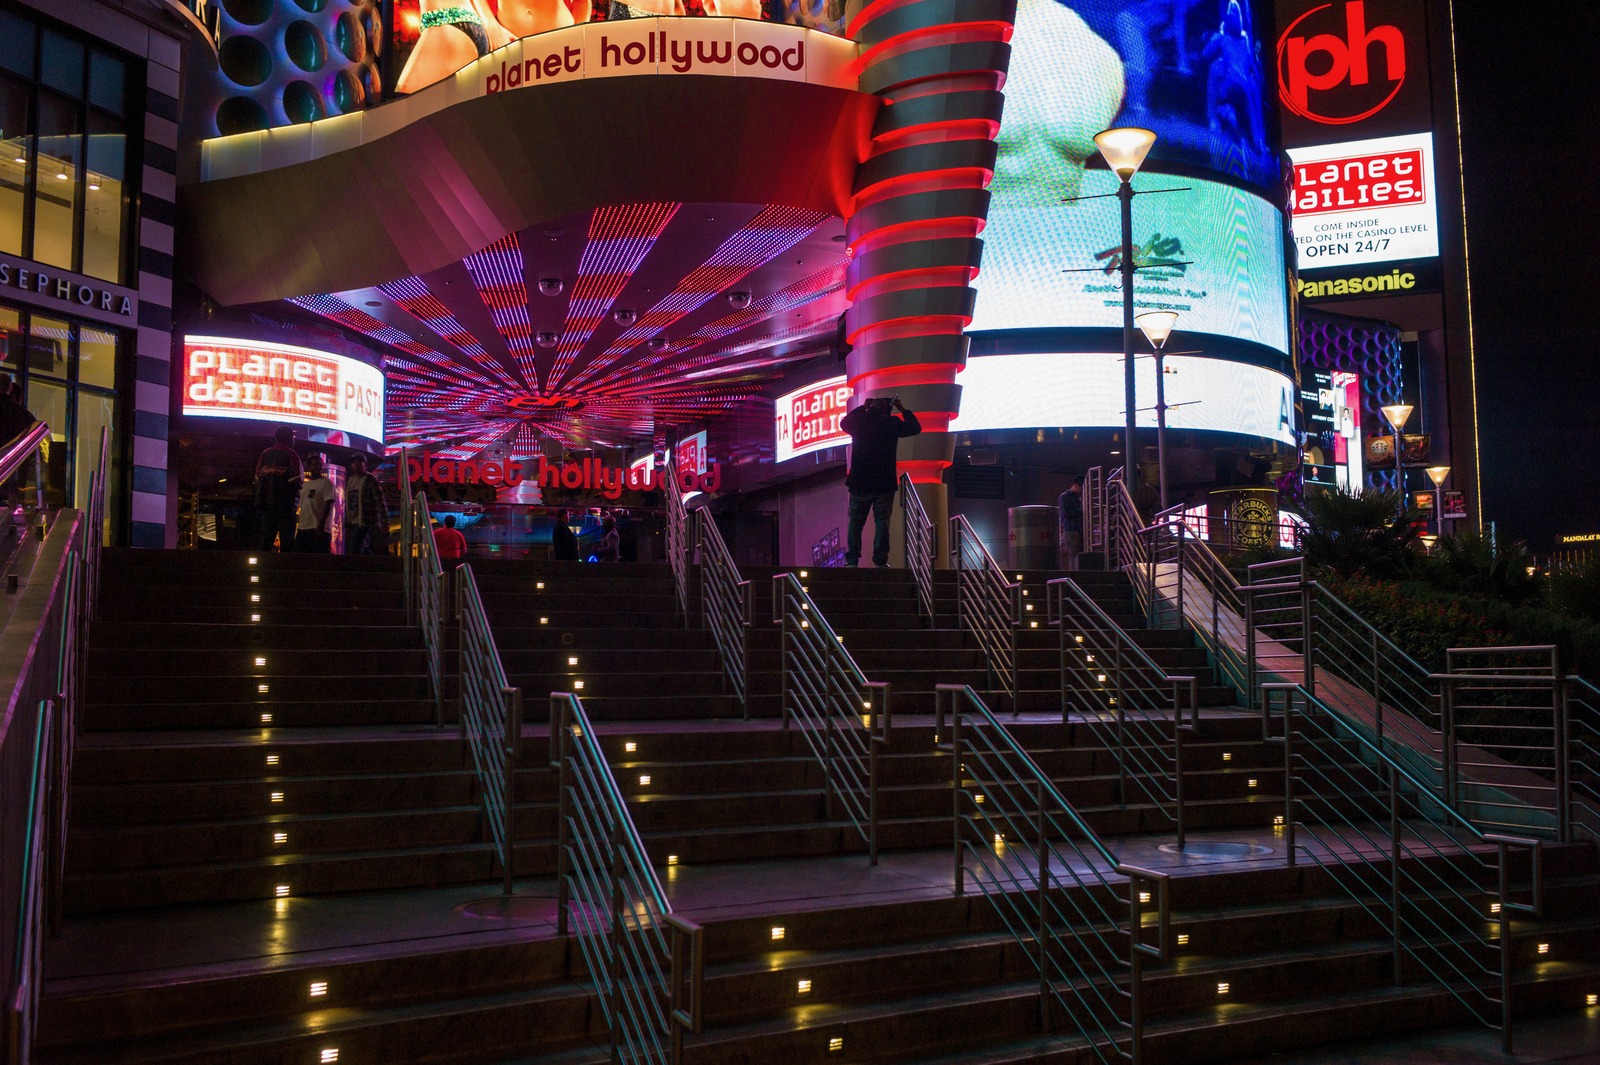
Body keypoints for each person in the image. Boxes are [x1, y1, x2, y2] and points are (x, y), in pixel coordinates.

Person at [839, 396, 921, 568]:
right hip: (884, 482)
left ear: (871, 408)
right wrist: (903, 409)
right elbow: (915, 427)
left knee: (856, 521)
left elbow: (844, 422)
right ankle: (880, 561)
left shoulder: (859, 423)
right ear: (888, 410)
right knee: (882, 522)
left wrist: (863, 408)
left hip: (859, 482)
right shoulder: (891, 424)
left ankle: (852, 560)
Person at [254, 426, 303, 553]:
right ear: (288, 438)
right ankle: (285, 571)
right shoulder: (291, 454)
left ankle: (262, 569)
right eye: (292, 437)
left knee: (266, 542)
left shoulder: (265, 454)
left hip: (266, 506)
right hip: (285, 507)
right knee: (287, 542)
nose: (294, 440)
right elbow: (298, 480)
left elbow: (257, 479)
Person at [343, 454, 390, 555]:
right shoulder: (350, 481)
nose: (357, 465)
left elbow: (380, 502)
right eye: (354, 462)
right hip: (353, 523)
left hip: (368, 522)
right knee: (362, 549)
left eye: (360, 462)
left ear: (365, 465)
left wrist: (385, 522)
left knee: (355, 549)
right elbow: (348, 503)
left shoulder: (371, 480)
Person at [294, 454, 336, 553]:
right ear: (309, 466)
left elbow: (328, 503)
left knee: (318, 559)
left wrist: (321, 524)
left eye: (319, 464)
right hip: (303, 528)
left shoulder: (327, 483)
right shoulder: (305, 485)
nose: (318, 467)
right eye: (315, 464)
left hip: (319, 529)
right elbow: (301, 505)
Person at [1057, 476, 1085, 570]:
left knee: (1077, 556)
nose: (1082, 491)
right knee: (1074, 556)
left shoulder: (1078, 499)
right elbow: (1066, 513)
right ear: (1076, 485)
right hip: (1071, 531)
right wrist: (1083, 510)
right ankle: (1074, 577)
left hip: (1078, 530)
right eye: (1081, 488)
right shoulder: (1064, 497)